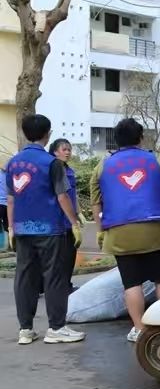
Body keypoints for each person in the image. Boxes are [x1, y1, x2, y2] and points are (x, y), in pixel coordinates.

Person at [91, 118, 160, 343]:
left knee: (131, 283)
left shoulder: (103, 165)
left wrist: (101, 230)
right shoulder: (156, 159)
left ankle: (139, 329)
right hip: (155, 228)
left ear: (116, 140)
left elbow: (96, 202)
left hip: (120, 232)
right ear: (141, 138)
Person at [7, 114, 85, 345]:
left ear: (25, 133)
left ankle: (25, 329)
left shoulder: (13, 163)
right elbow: (62, 196)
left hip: (22, 228)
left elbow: (10, 199)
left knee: (24, 277)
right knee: (54, 277)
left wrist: (11, 227)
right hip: (50, 229)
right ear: (47, 134)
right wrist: (74, 222)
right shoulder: (52, 163)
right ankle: (56, 328)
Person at [48, 139, 79, 292]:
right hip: (58, 220)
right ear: (55, 152)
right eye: (64, 149)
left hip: (70, 218)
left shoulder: (69, 170)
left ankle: (66, 284)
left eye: (69, 149)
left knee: (70, 254)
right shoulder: (52, 168)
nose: (67, 152)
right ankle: (59, 287)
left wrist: (78, 213)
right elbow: (61, 196)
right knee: (61, 257)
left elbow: (73, 194)